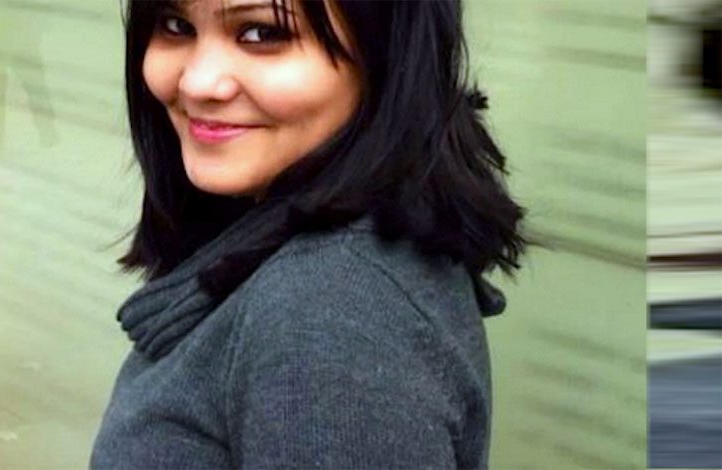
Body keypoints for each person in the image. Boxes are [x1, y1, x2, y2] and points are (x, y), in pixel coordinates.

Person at [91, 0, 527, 468]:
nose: (197, 83)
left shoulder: (335, 314)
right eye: (176, 26)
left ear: (386, 50)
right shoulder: (321, 257)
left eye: (262, 33)